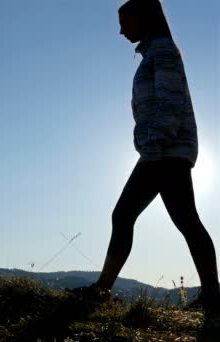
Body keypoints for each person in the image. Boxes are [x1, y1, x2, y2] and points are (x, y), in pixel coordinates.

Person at [70, 0, 219, 335]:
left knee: (128, 215)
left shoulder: (162, 51)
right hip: (165, 150)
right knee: (184, 220)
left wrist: (154, 144)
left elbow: (171, 101)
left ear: (142, 19)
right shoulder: (156, 51)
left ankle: (102, 291)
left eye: (125, 22)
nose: (122, 30)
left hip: (164, 151)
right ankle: (212, 296)